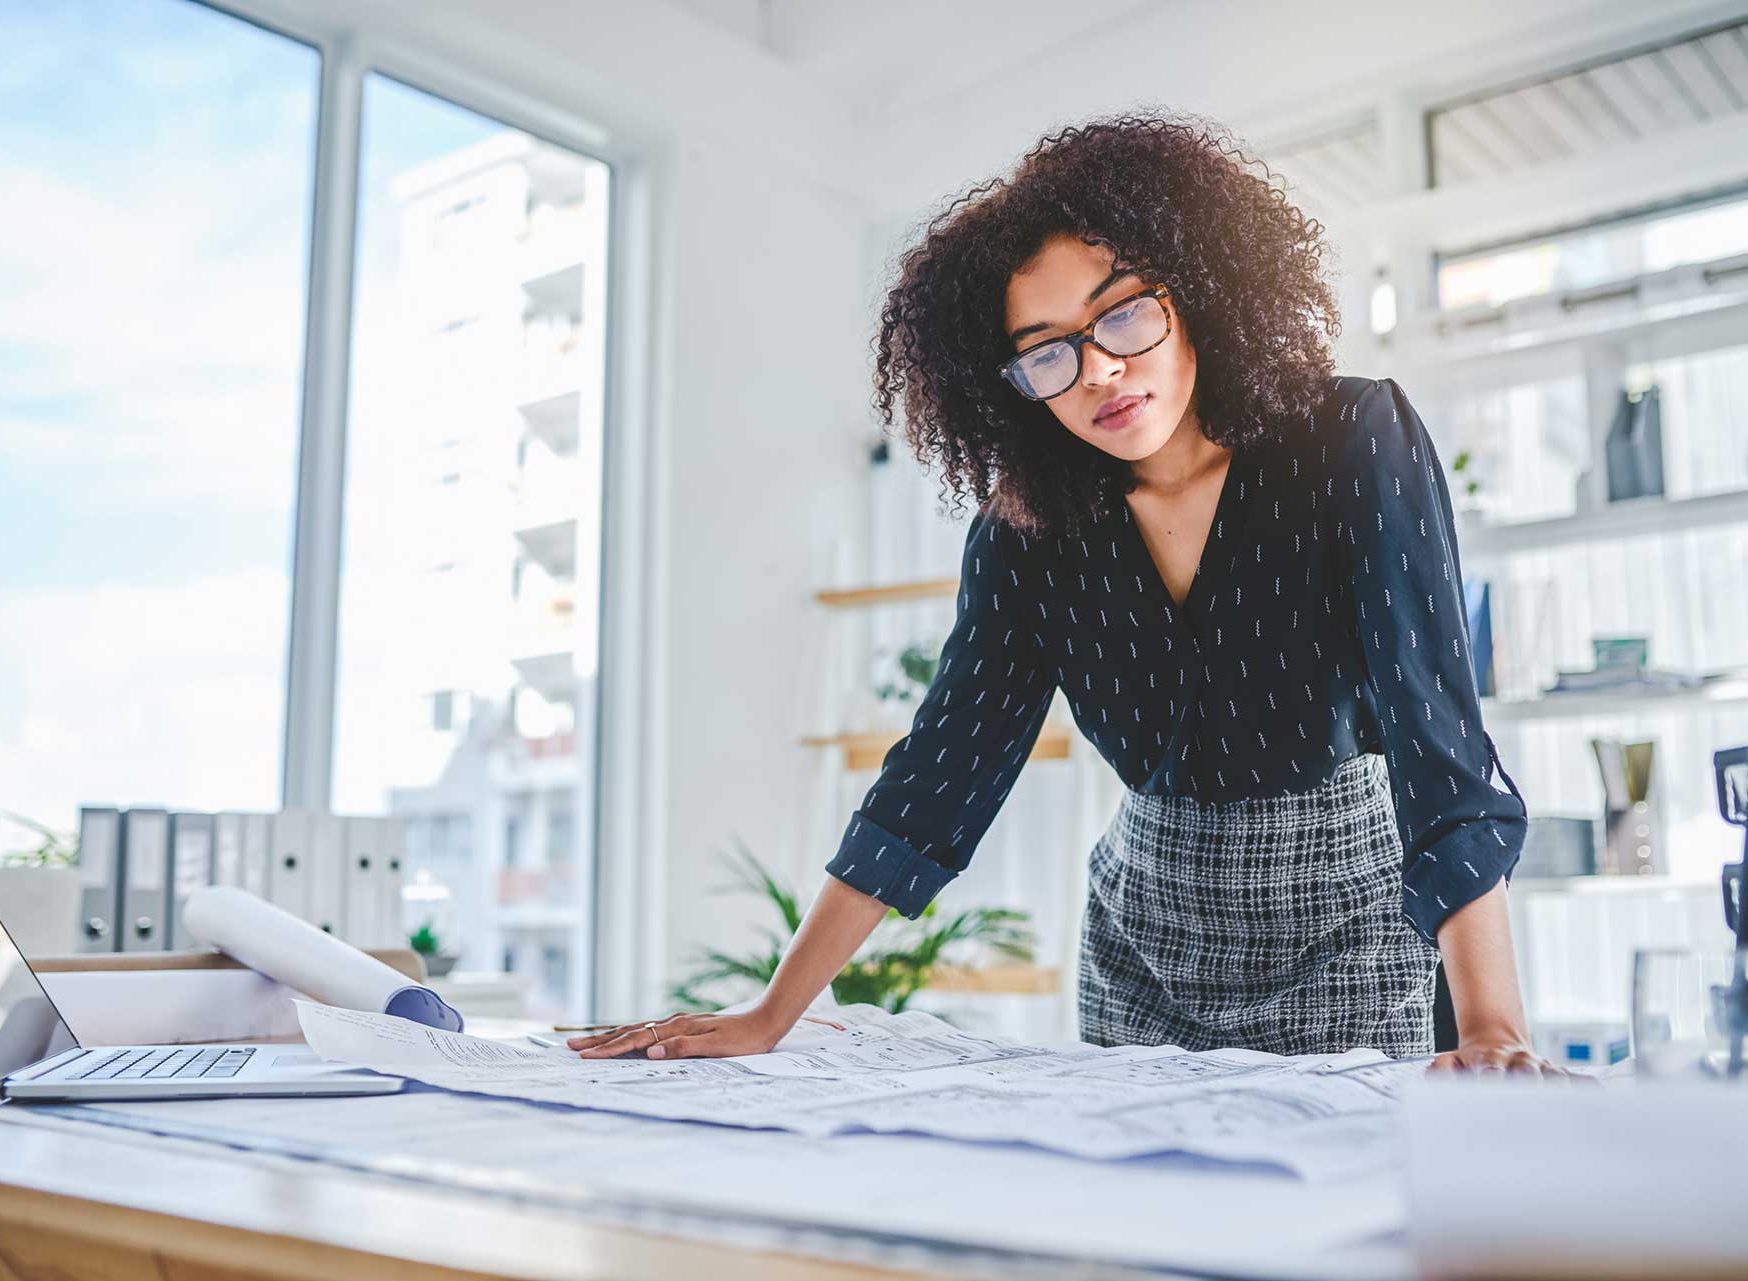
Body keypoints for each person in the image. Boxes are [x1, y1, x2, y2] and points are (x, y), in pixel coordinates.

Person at [573, 109, 1563, 1077]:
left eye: (1125, 311)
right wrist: (769, 1014)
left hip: (1354, 922)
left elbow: (1439, 745)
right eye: (1049, 352)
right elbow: (941, 776)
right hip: (1146, 941)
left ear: (1201, 289)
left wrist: (1492, 1027)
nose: (1101, 370)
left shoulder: (1350, 438)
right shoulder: (1026, 537)